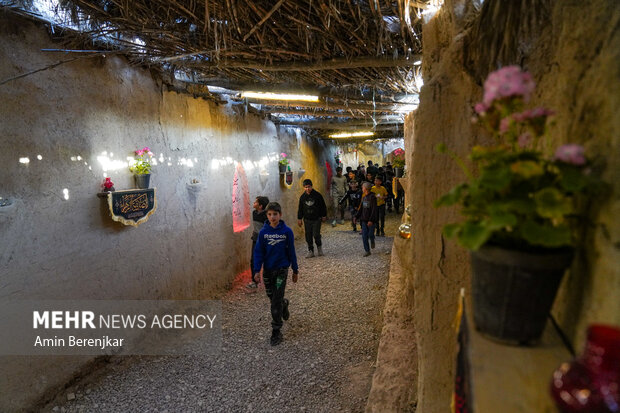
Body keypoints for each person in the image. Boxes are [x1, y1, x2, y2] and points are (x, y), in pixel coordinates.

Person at [253, 202, 299, 346]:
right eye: (270, 214)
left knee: (275, 301)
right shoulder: (263, 233)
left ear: (280, 215)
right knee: (272, 297)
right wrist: (256, 270)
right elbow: (259, 252)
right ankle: (284, 304)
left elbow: (291, 251)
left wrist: (295, 269)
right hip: (268, 270)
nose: (272, 217)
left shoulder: (287, 232)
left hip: (281, 270)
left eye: (275, 214)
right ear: (267, 215)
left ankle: (276, 331)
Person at [297, 179, 327, 258]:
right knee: (308, 236)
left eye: (309, 187)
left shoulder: (317, 195)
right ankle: (311, 250)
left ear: (311, 186)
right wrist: (299, 218)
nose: (307, 189)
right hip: (307, 219)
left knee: (316, 234)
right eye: (306, 187)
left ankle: (319, 247)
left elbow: (323, 206)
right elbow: (300, 208)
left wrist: (324, 215)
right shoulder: (302, 197)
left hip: (316, 219)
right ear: (304, 188)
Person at [247, 195, 270, 289]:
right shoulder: (254, 213)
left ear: (260, 206)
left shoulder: (266, 216)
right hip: (256, 239)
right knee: (253, 260)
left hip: (264, 241)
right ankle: (255, 281)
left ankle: (268, 279)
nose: (254, 203)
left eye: (256, 202)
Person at [354, 182, 378, 257]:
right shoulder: (364, 197)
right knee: (364, 236)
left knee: (370, 234)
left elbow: (374, 209)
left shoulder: (372, 197)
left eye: (362, 187)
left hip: (371, 220)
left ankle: (372, 240)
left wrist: (371, 220)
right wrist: (356, 216)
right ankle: (367, 250)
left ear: (366, 188)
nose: (362, 189)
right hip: (364, 220)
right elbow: (361, 209)